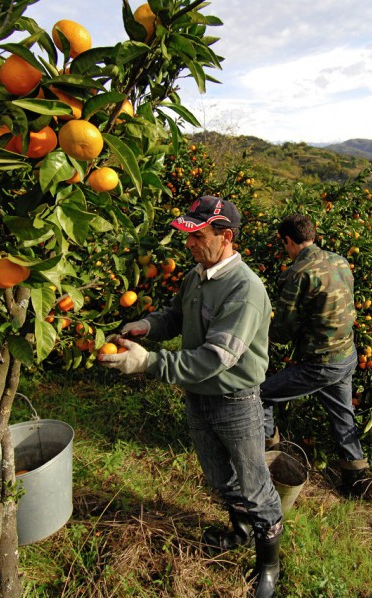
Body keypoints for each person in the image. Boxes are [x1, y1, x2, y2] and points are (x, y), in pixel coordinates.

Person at [98, 196, 283, 597]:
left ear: (225, 236)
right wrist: (146, 326)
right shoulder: (197, 275)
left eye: (197, 236)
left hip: (235, 401)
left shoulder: (245, 289)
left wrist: (149, 364)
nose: (189, 244)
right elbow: (176, 317)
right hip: (197, 396)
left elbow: (216, 357)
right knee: (219, 477)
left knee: (254, 485)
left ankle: (269, 564)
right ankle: (242, 529)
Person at [262, 213, 371, 498]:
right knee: (343, 417)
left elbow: (282, 331)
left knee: (261, 395)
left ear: (288, 241)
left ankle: (269, 457)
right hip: (346, 354)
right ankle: (358, 484)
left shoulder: (299, 273)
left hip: (320, 363)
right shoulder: (339, 260)